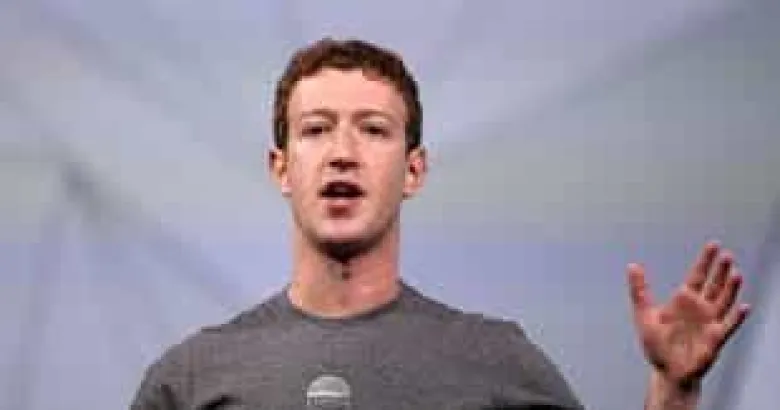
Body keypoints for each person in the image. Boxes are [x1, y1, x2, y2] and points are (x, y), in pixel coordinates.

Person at [130, 38, 750, 410]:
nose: (343, 152)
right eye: (316, 129)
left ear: (414, 170)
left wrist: (673, 392)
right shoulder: (193, 378)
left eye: (373, 130)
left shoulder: (497, 362)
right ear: (281, 167)